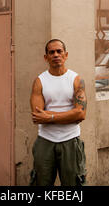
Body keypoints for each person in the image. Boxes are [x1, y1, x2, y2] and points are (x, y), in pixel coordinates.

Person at [29, 39, 87, 186]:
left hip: (70, 141)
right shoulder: (40, 81)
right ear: (46, 57)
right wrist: (69, 115)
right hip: (45, 141)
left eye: (59, 51)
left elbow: (81, 114)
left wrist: (50, 116)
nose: (56, 55)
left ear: (66, 55)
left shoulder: (76, 79)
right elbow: (38, 117)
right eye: (51, 52)